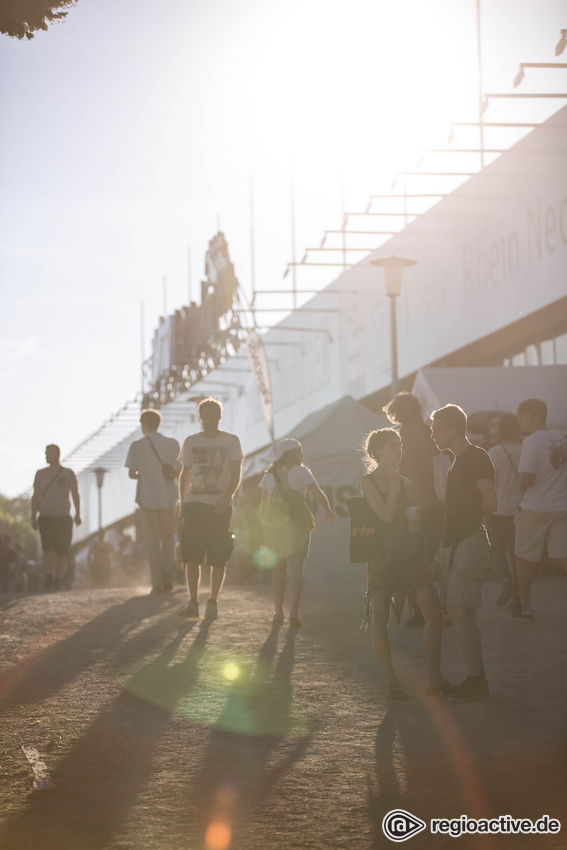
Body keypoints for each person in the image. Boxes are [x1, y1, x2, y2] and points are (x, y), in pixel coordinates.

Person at [360, 428, 451, 700]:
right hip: (381, 556)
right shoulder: (367, 482)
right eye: (392, 445)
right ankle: (391, 681)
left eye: (399, 444)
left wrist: (415, 513)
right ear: (376, 451)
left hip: (410, 553)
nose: (398, 449)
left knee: (433, 614)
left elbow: (413, 522)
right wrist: (397, 485)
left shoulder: (406, 483)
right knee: (380, 617)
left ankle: (435, 678)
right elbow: (386, 516)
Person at [430, 405, 497, 701]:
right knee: (461, 611)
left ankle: (476, 680)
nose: (433, 434)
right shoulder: (459, 461)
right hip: (458, 543)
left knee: (460, 610)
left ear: (453, 430)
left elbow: (491, 503)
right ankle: (475, 678)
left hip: (467, 541)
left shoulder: (475, 457)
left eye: (437, 428)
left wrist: (467, 523)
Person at [178, 397, 244, 620]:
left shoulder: (231, 441)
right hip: (194, 504)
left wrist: (227, 497)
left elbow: (236, 473)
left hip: (219, 505)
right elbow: (185, 473)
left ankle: (213, 601)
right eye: (205, 415)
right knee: (192, 556)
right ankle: (193, 602)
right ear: (200, 417)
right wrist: (182, 503)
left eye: (213, 415)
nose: (209, 419)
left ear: (219, 416)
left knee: (218, 555)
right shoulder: (190, 442)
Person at [383, 392, 445, 626]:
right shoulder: (429, 430)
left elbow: (404, 469)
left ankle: (421, 611)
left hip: (415, 505)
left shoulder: (406, 433)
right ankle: (432, 608)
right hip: (435, 502)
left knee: (415, 556)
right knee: (430, 555)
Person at [260, 438, 335, 627]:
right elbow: (317, 493)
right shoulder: (301, 471)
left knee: (278, 569)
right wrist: (327, 510)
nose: (302, 455)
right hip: (298, 525)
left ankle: (278, 612)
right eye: (299, 451)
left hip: (275, 526)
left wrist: (264, 529)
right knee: (296, 569)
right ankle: (293, 611)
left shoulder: (268, 476)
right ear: (291, 454)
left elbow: (263, 506)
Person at [513, 398, 567, 621]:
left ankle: (525, 607)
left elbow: (528, 476)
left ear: (535, 415)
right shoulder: (562, 439)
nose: (519, 421)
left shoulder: (532, 441)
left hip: (535, 507)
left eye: (521, 416)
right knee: (560, 558)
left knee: (523, 558)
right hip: (561, 506)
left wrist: (519, 483)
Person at [125, 409, 181, 593]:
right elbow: (178, 469)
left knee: (152, 541)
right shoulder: (172, 444)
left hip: (146, 498)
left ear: (144, 425)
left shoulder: (137, 446)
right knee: (167, 539)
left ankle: (156, 582)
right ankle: (169, 577)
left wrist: (146, 474)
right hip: (169, 497)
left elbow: (132, 473)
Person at [31, 444, 81, 592]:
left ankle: (58, 580)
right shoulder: (40, 474)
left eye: (49, 454)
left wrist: (78, 513)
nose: (46, 456)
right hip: (46, 517)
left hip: (63, 518)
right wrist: (33, 516)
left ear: (58, 455)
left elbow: (75, 493)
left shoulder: (68, 473)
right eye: (46, 453)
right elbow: (35, 496)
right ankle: (48, 578)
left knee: (62, 551)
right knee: (47, 549)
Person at [487, 413, 523, 608]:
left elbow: (490, 485)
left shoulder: (494, 452)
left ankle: (506, 583)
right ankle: (518, 596)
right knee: (517, 554)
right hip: (523, 509)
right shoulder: (526, 448)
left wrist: (486, 511)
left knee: (496, 549)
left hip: (500, 510)